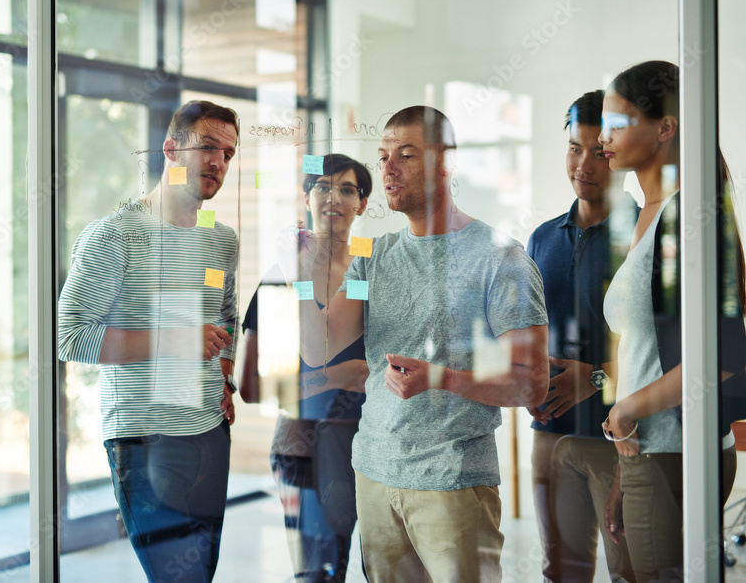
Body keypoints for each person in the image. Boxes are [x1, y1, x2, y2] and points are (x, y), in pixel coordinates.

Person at [287, 105, 549, 582]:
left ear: (446, 163)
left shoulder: (500, 260)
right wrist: (306, 273)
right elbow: (321, 346)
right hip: (373, 475)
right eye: (384, 156)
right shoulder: (374, 256)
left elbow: (530, 385)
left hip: (452, 484)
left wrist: (442, 380)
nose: (387, 169)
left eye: (405, 155)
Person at [57, 100, 240, 583]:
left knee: (199, 575)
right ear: (170, 150)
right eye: (207, 147)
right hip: (144, 440)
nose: (218, 162)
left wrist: (225, 377)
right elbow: (70, 337)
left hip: (208, 434)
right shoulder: (114, 234)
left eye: (228, 153)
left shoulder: (220, 240)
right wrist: (178, 341)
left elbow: (226, 316)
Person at [598, 61, 743, 582]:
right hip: (649, 449)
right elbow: (645, 352)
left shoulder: (689, 214)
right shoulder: (649, 212)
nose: (601, 138)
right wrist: (624, 455)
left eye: (618, 123)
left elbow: (724, 358)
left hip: (678, 451)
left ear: (665, 127)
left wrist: (628, 409)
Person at [242, 154, 372, 582]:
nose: (333, 197)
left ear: (363, 203)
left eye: (347, 189)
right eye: (322, 186)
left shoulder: (369, 273)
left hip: (375, 447)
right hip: (306, 447)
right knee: (318, 573)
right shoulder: (282, 276)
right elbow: (256, 386)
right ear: (306, 198)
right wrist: (338, 375)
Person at [527, 90, 635, 582]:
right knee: (561, 571)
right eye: (575, 147)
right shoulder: (542, 238)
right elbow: (530, 335)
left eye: (599, 151)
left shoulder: (645, 235)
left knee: (630, 571)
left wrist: (592, 380)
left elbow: (669, 356)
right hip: (551, 433)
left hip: (624, 437)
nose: (584, 163)